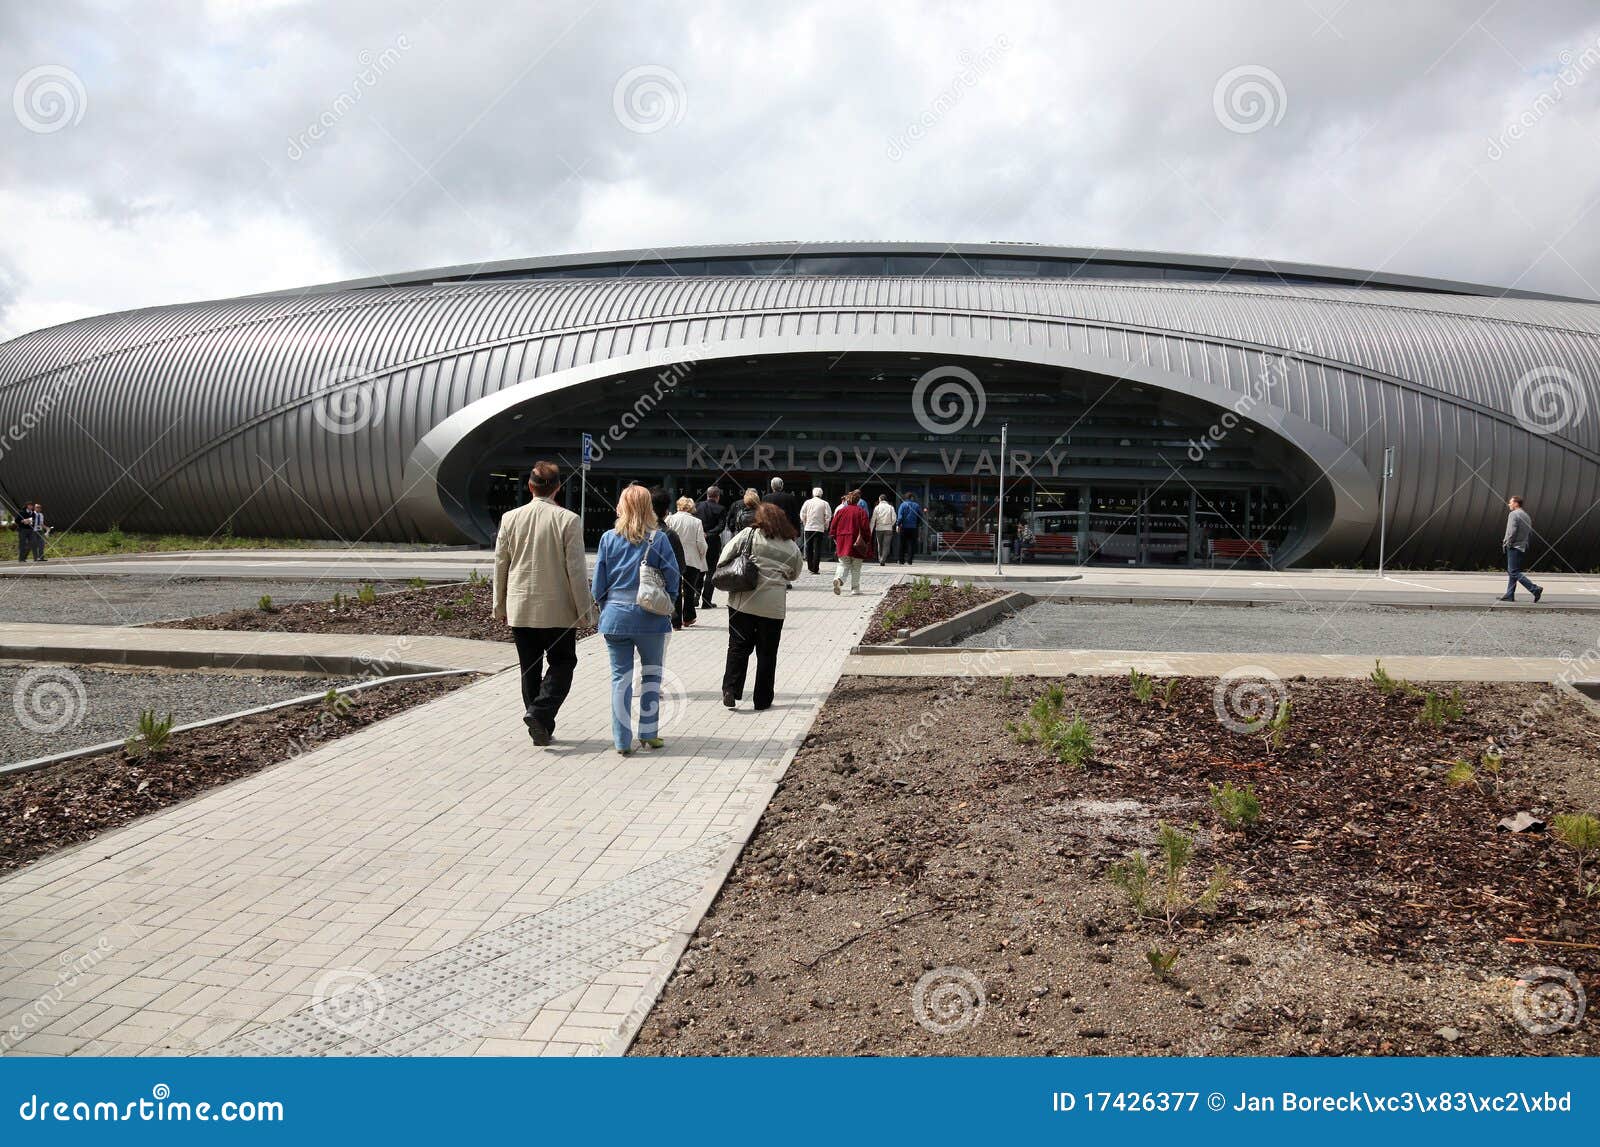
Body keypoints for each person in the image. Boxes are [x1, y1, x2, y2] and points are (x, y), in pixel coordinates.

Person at [492, 461, 595, 746]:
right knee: (563, 662)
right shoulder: (568, 520)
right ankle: (539, 714)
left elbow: (501, 564)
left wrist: (499, 605)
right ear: (558, 488)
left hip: (521, 607)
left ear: (530, 486)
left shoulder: (510, 518)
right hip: (559, 611)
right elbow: (576, 570)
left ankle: (538, 721)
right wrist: (585, 611)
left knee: (529, 667)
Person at [592, 484, 681, 753]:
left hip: (615, 617)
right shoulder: (658, 539)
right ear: (648, 508)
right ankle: (649, 733)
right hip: (650, 618)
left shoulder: (608, 538)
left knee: (621, 678)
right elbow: (674, 577)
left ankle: (621, 740)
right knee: (652, 676)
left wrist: (606, 607)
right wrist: (670, 603)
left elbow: (598, 583)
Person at [717, 502, 803, 711]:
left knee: (738, 646)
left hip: (742, 602)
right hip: (773, 607)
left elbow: (724, 557)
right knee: (767, 653)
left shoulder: (748, 534)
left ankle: (731, 689)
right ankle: (762, 699)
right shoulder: (791, 546)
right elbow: (795, 573)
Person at [649, 487, 691, 630]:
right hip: (661, 599)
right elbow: (680, 567)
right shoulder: (669, 534)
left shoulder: (631, 533)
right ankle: (676, 621)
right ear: (666, 511)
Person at [666, 495, 708, 626]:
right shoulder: (696, 522)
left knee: (676, 589)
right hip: (692, 558)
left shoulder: (670, 519)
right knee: (690, 589)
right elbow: (701, 543)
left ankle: (675, 620)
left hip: (674, 558)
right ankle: (688, 617)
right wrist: (702, 555)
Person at [1498, 495, 1544, 603]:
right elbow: (1529, 532)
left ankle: (1535, 589)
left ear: (1516, 503)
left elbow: (1511, 531)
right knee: (1513, 571)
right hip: (1522, 546)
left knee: (1513, 571)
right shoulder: (1526, 515)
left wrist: (1507, 543)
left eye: (1510, 502)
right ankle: (1510, 595)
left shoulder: (1513, 514)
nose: (1509, 504)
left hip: (1514, 546)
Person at [829, 489, 873, 595]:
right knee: (856, 567)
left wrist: (835, 539)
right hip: (857, 542)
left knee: (843, 563)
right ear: (857, 501)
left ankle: (839, 579)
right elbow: (866, 529)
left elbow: (833, 528)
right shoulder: (861, 512)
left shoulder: (840, 511)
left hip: (842, 541)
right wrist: (867, 540)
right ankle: (855, 589)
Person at [693, 485, 728, 608]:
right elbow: (721, 526)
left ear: (707, 495)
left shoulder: (697, 506)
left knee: (698, 570)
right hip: (712, 542)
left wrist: (701, 534)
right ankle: (706, 601)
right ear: (717, 497)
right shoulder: (721, 508)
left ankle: (695, 597)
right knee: (711, 571)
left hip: (698, 541)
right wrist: (709, 534)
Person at [799, 486, 832, 575]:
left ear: (813, 493)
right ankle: (815, 568)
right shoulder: (825, 503)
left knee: (808, 547)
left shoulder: (807, 502)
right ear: (821, 494)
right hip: (819, 529)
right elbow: (828, 516)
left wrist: (805, 523)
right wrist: (826, 526)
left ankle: (810, 567)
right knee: (817, 548)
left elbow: (802, 514)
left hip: (808, 528)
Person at [895, 491, 924, 565]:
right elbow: (920, 516)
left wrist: (898, 525)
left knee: (902, 544)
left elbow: (900, 517)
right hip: (913, 528)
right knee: (911, 544)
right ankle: (909, 560)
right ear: (911, 497)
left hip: (904, 527)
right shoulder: (916, 505)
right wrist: (917, 524)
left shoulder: (902, 505)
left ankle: (901, 560)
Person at [870, 494, 896, 565]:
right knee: (886, 545)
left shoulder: (877, 507)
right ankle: (883, 559)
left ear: (880, 499)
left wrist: (870, 530)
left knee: (880, 544)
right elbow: (894, 518)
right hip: (888, 528)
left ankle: (880, 558)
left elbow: (873, 519)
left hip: (879, 528)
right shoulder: (891, 507)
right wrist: (891, 525)